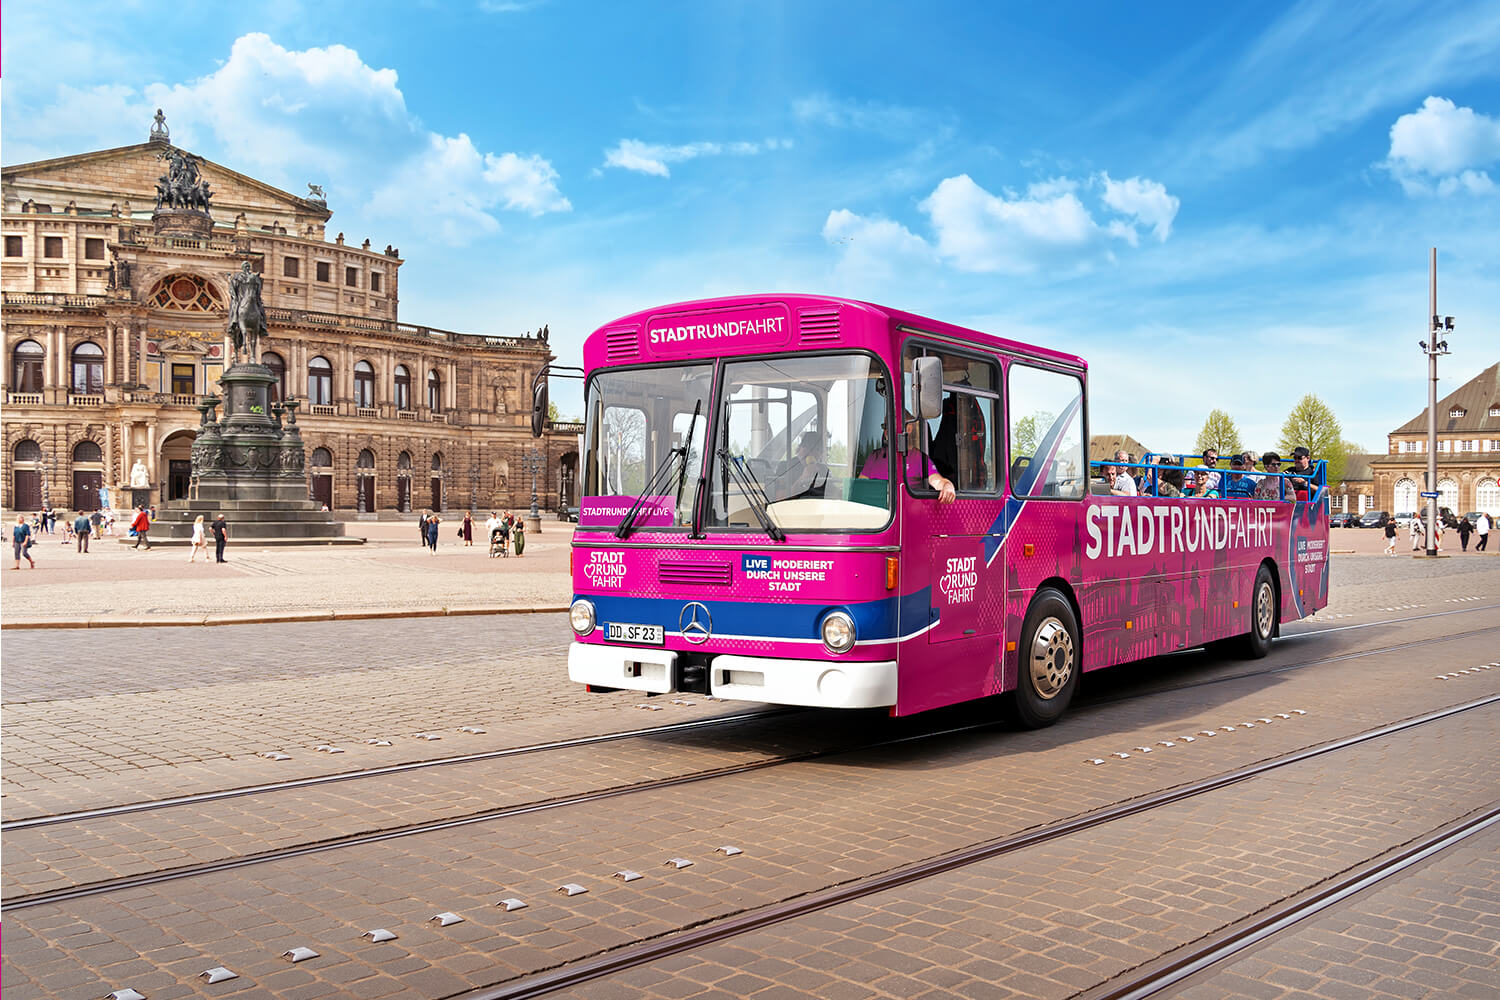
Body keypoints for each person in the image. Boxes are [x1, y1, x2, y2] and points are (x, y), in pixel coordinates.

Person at [858, 417, 957, 503]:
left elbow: (937, 481)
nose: (886, 430)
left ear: (909, 428)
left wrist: (947, 486)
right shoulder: (875, 456)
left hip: (906, 512)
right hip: (876, 513)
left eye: (892, 424)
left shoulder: (919, 458)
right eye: (885, 426)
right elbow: (859, 487)